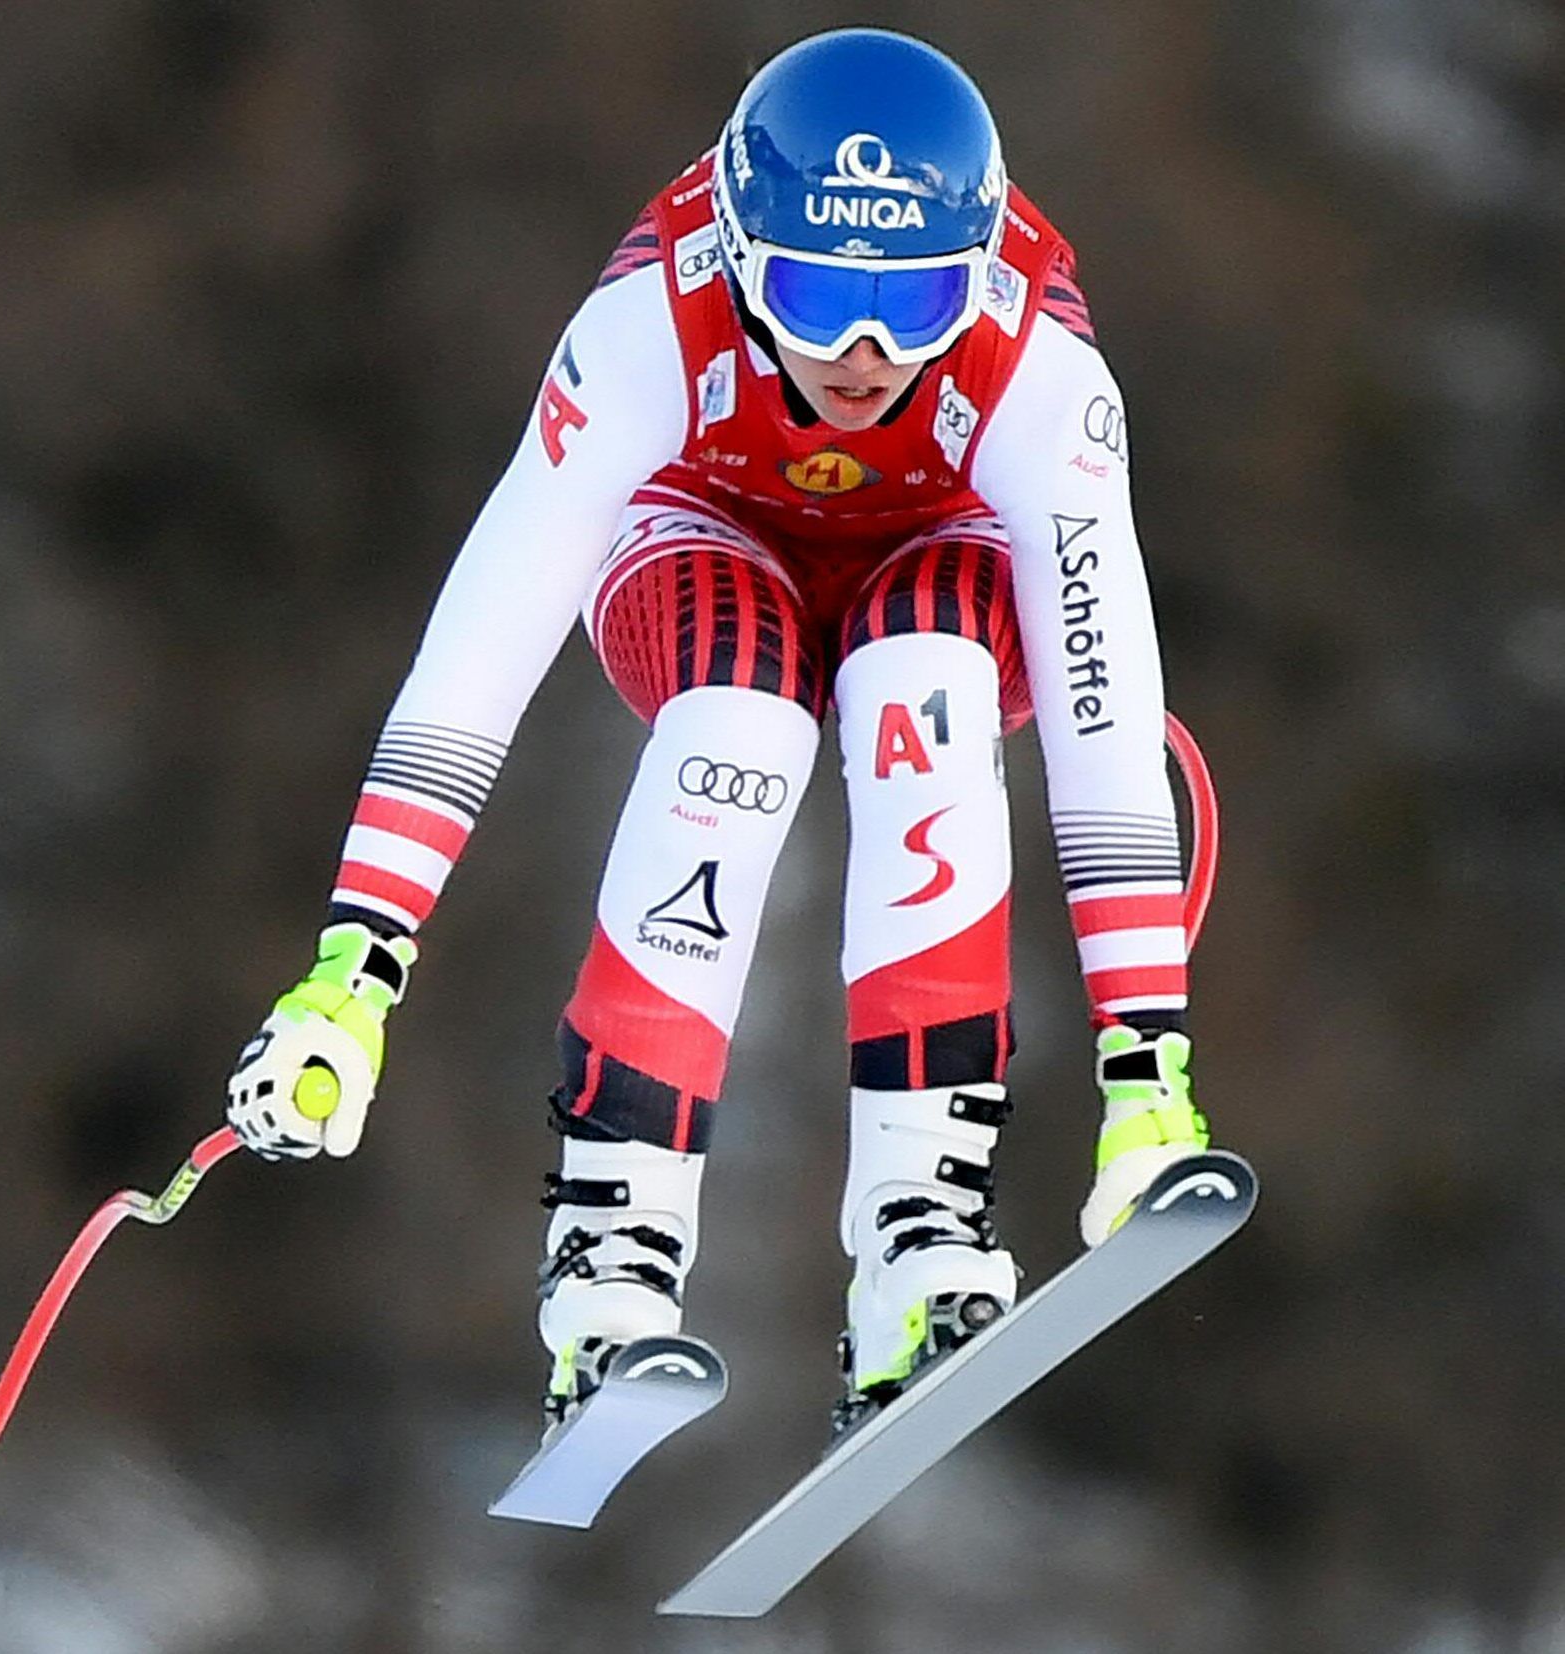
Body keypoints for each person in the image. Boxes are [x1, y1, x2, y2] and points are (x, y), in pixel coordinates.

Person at [225, 27, 1211, 1435]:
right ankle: (610, 1259)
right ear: (746, 262)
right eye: (815, 300)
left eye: (915, 302)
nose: (866, 358)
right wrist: (356, 966)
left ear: (975, 275)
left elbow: (1102, 712)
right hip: (700, 535)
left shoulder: (1036, 373)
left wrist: (1144, 1066)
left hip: (947, 553)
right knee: (737, 720)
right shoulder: (647, 328)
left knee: (920, 681)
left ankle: (918, 1246)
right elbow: (481, 648)